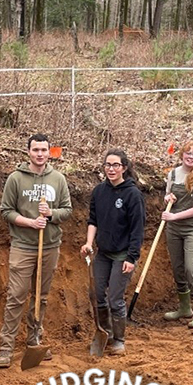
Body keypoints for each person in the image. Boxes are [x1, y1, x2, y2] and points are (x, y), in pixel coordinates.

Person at [0, 133, 72, 368]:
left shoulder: (58, 179)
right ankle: (6, 347)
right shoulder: (16, 179)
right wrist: (29, 222)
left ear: (50, 152)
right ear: (28, 152)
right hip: (22, 245)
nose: (40, 154)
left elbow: (67, 210)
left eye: (44, 150)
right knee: (16, 296)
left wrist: (51, 214)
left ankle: (34, 339)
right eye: (35, 150)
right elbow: (5, 211)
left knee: (41, 296)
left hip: (50, 246)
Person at [80, 149, 144, 355]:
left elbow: (137, 230)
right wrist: (89, 243)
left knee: (115, 298)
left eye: (116, 165)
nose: (111, 169)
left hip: (123, 255)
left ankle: (119, 340)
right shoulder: (99, 191)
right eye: (108, 165)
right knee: (97, 294)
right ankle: (104, 332)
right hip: (103, 253)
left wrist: (132, 257)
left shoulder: (133, 194)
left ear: (124, 168)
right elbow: (93, 220)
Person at [160, 140, 193, 328]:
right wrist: (168, 197)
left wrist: (174, 216)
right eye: (188, 153)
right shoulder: (173, 174)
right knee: (178, 268)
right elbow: (168, 195)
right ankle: (184, 308)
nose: (191, 157)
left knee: (191, 269)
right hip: (174, 230)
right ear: (181, 155)